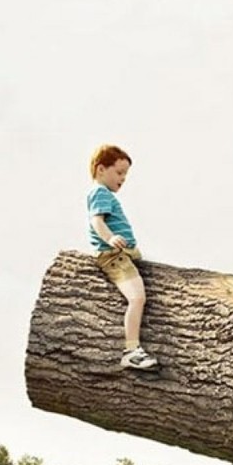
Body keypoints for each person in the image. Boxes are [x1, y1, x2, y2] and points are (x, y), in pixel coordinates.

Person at [88, 144, 157, 371]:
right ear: (100, 170)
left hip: (122, 254)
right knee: (137, 298)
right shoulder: (99, 192)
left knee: (139, 294)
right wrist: (110, 238)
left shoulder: (105, 194)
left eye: (125, 174)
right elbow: (97, 221)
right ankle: (131, 350)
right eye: (119, 172)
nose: (123, 178)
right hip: (114, 256)